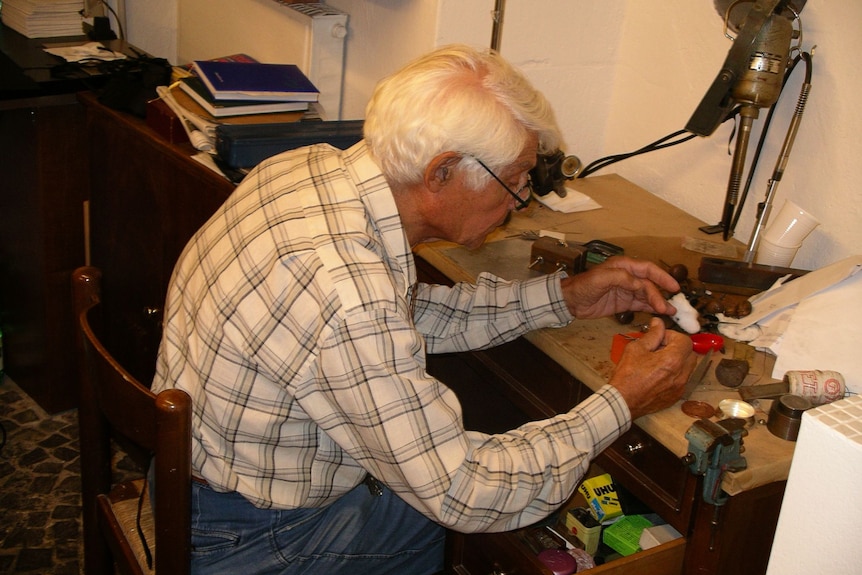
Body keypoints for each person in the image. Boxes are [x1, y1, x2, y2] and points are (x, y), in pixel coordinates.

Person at [151, 44, 696, 575]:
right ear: (441, 174)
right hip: (242, 538)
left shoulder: (306, 169)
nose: (521, 201)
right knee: (444, 523)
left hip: (187, 478)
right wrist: (622, 401)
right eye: (517, 180)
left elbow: (400, 316)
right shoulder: (347, 293)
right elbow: (467, 492)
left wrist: (561, 297)